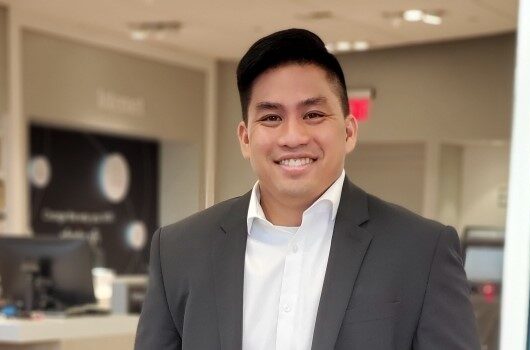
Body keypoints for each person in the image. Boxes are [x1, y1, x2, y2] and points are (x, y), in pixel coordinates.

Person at [135, 28, 480, 350]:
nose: (293, 137)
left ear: (348, 131)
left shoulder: (421, 252)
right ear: (245, 138)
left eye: (313, 114)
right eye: (271, 118)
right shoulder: (179, 252)